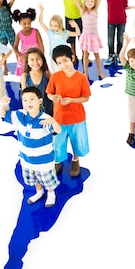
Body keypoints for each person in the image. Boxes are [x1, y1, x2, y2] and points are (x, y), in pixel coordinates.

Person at [0, 87, 62, 208]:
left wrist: (54, 122)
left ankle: (51, 193)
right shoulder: (20, 116)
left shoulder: (45, 119)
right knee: (34, 179)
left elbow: (57, 131)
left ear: (39, 101)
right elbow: (4, 115)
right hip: (27, 159)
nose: (28, 102)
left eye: (32, 99)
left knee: (47, 180)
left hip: (44, 161)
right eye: (25, 100)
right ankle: (39, 192)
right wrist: (2, 105)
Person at [46, 44, 91, 178]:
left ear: (72, 58)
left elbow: (86, 98)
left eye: (65, 61)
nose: (63, 65)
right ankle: (58, 161)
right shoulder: (55, 77)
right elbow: (49, 93)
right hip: (59, 118)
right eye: (59, 63)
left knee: (78, 140)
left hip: (77, 118)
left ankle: (75, 160)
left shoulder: (81, 77)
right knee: (58, 142)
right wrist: (53, 97)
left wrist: (71, 100)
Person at [42, 0, 83, 66]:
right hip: (68, 17)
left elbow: (86, 1)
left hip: (79, 17)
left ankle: (85, 56)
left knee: (81, 38)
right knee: (71, 40)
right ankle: (74, 56)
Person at [98, 0, 135, 66]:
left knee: (120, 40)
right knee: (110, 40)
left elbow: (125, 6)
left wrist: (133, 7)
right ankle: (111, 55)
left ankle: (120, 56)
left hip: (122, 21)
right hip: (111, 21)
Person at [73, 0, 105, 81]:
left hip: (94, 36)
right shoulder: (82, 11)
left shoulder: (95, 11)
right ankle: (85, 72)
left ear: (94, 3)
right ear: (85, 2)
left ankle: (100, 71)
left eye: (92, 1)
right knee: (85, 55)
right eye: (88, 1)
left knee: (96, 55)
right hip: (86, 36)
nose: (90, 3)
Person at [37, 3, 80, 73]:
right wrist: (42, 11)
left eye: (55, 26)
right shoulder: (50, 32)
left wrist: (75, 26)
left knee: (65, 72)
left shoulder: (65, 33)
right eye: (51, 25)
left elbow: (77, 33)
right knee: (56, 73)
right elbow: (40, 22)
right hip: (53, 56)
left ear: (60, 25)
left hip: (63, 56)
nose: (53, 27)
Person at [20, 47, 53, 116]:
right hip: (33, 110)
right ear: (27, 62)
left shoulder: (47, 74)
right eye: (32, 59)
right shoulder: (24, 76)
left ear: (42, 60)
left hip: (48, 109)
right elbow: (24, 95)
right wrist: (25, 109)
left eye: (38, 59)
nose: (35, 62)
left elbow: (54, 90)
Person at [12, 8, 44, 76]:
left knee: (37, 70)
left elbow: (41, 44)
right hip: (25, 56)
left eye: (29, 23)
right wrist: (20, 56)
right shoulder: (19, 34)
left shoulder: (36, 31)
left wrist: (41, 55)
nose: (27, 25)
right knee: (25, 73)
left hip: (36, 54)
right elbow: (15, 47)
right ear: (20, 23)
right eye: (24, 23)